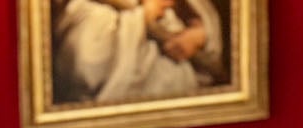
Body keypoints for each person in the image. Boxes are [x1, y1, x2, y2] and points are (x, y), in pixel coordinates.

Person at [51, 0, 226, 107]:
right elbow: (83, 71)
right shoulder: (85, 14)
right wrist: (142, 17)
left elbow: (216, 51)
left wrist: (200, 36)